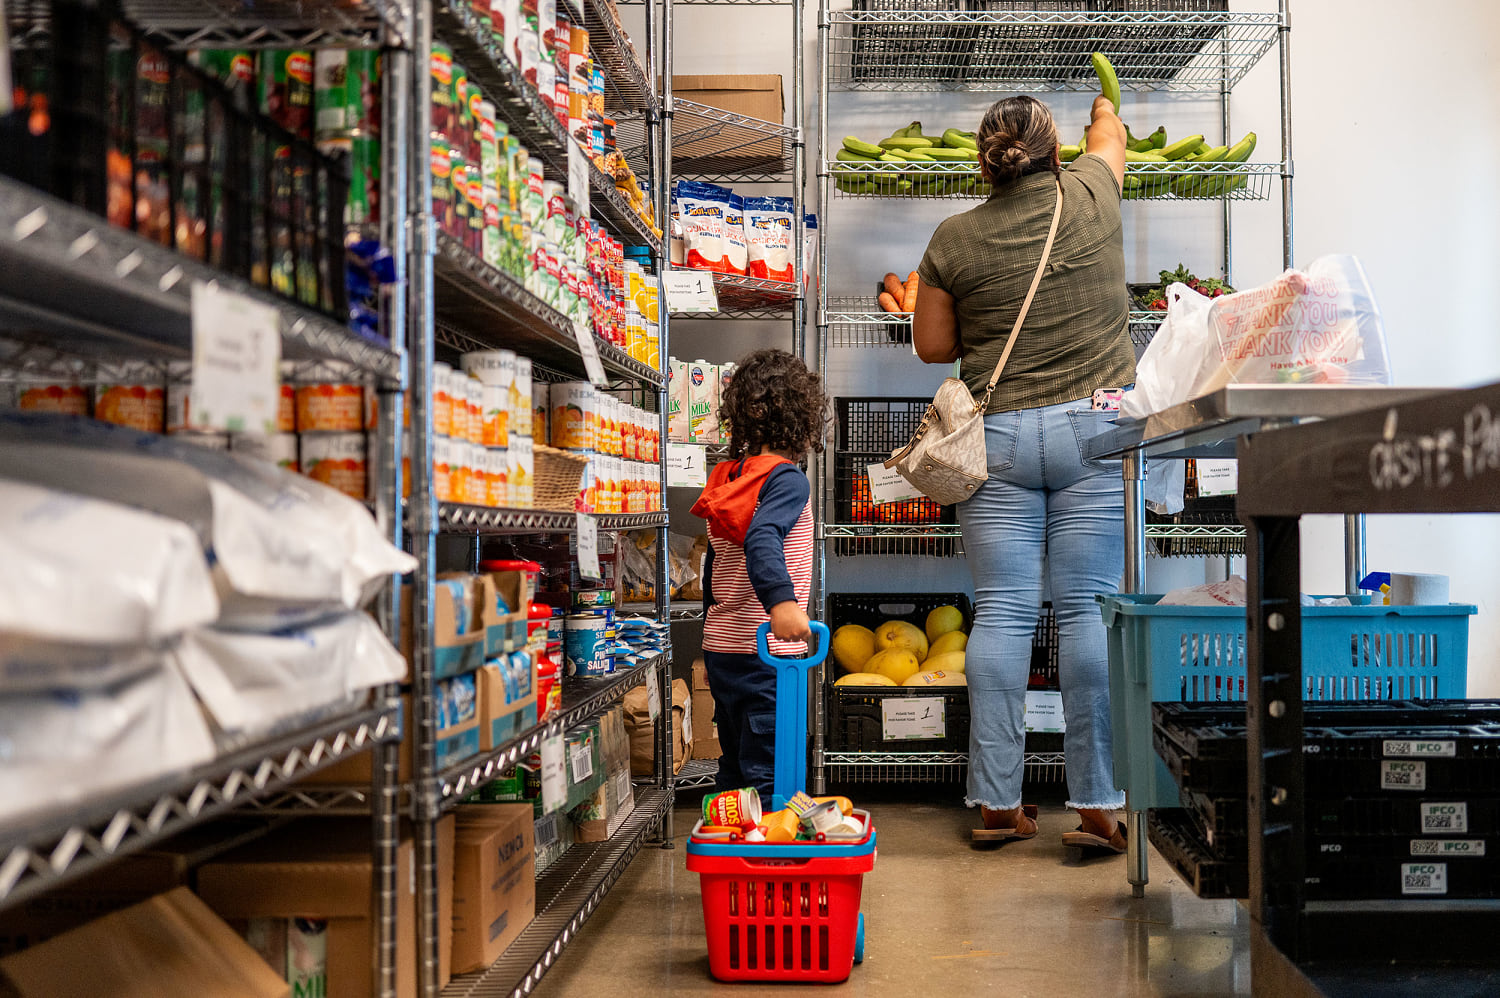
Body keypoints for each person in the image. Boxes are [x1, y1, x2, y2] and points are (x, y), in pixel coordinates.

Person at [912, 92, 1134, 851]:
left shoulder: (954, 237)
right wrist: (1103, 110)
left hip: (996, 439)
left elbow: (933, 348)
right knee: (1087, 613)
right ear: (1054, 152)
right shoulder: (1094, 191)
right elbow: (1113, 137)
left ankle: (998, 805)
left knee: (1003, 612)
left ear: (986, 161)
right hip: (1093, 434)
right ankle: (1100, 804)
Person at [690, 349, 828, 799]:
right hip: (766, 650)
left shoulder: (728, 476)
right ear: (803, 417)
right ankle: (770, 860)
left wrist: (712, 639)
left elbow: (715, 563)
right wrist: (783, 606)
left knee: (733, 768)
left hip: (723, 650)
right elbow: (762, 540)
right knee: (771, 768)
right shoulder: (786, 480)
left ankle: (732, 851)